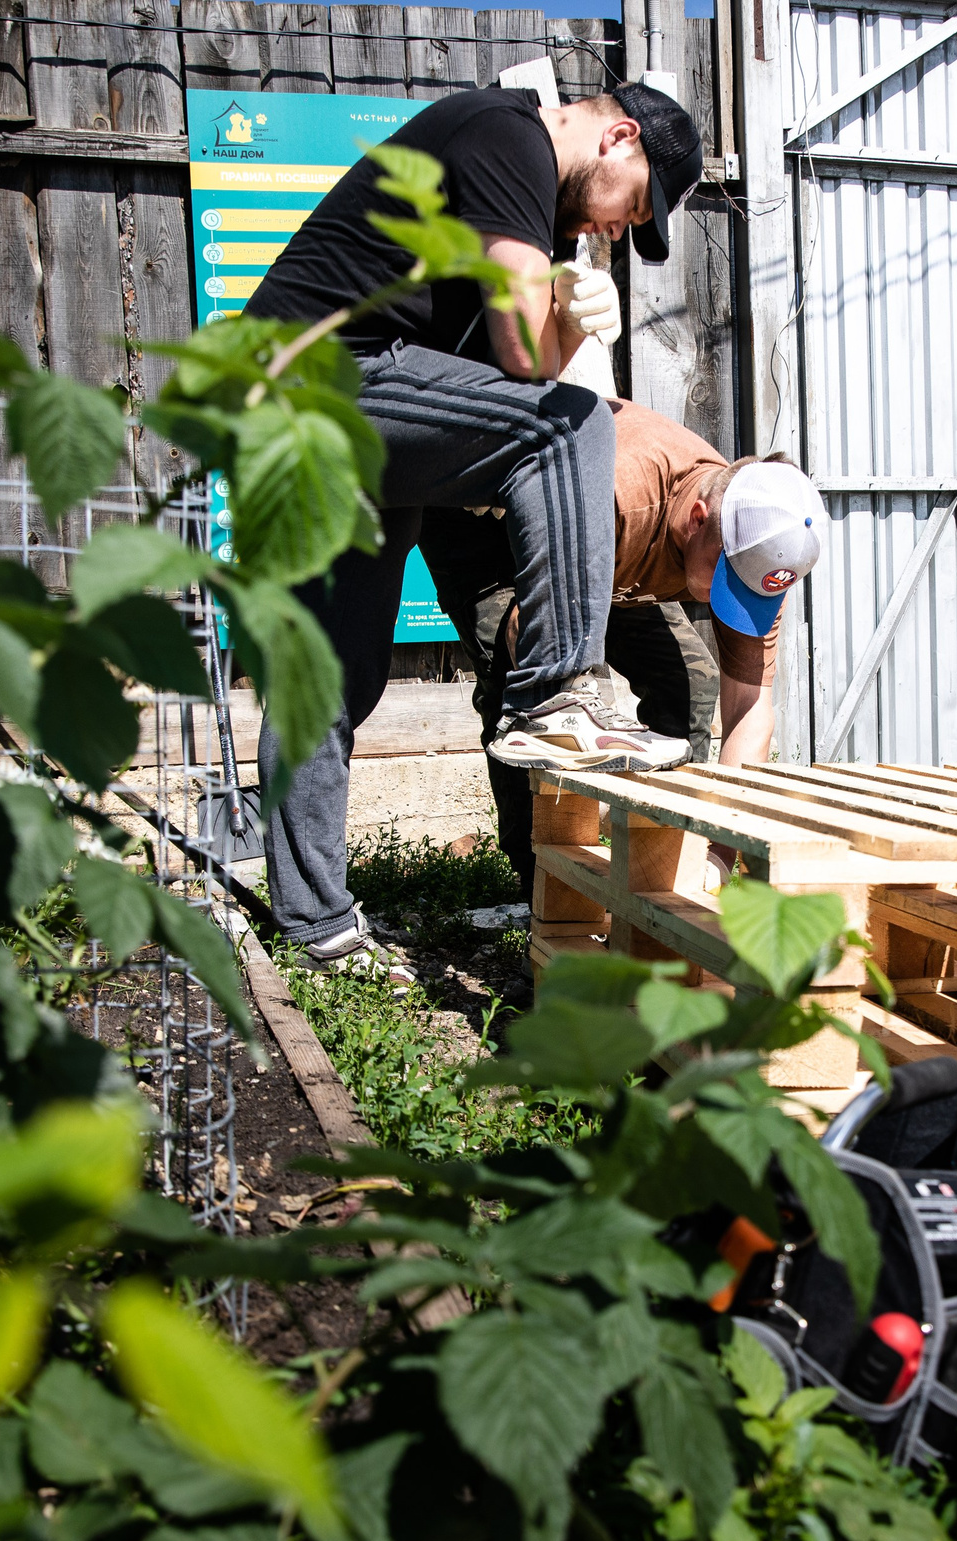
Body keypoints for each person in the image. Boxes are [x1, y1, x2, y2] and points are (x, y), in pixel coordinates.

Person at [240, 81, 704, 975]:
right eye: (632, 208)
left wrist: (572, 321)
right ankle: (558, 692)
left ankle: (313, 925)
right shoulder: (509, 137)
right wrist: (563, 306)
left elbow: (520, 368)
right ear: (619, 136)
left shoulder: (531, 200)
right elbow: (533, 373)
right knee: (573, 426)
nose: (612, 231)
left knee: (332, 677)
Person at [421, 399, 827, 894]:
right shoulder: (618, 497)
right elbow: (530, 633)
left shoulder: (758, 547)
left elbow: (750, 710)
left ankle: (664, 860)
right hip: (482, 522)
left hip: (608, 555)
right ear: (697, 519)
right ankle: (548, 884)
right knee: (551, 695)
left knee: (690, 682)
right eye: (726, 580)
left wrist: (719, 856)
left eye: (747, 590)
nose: (731, 598)